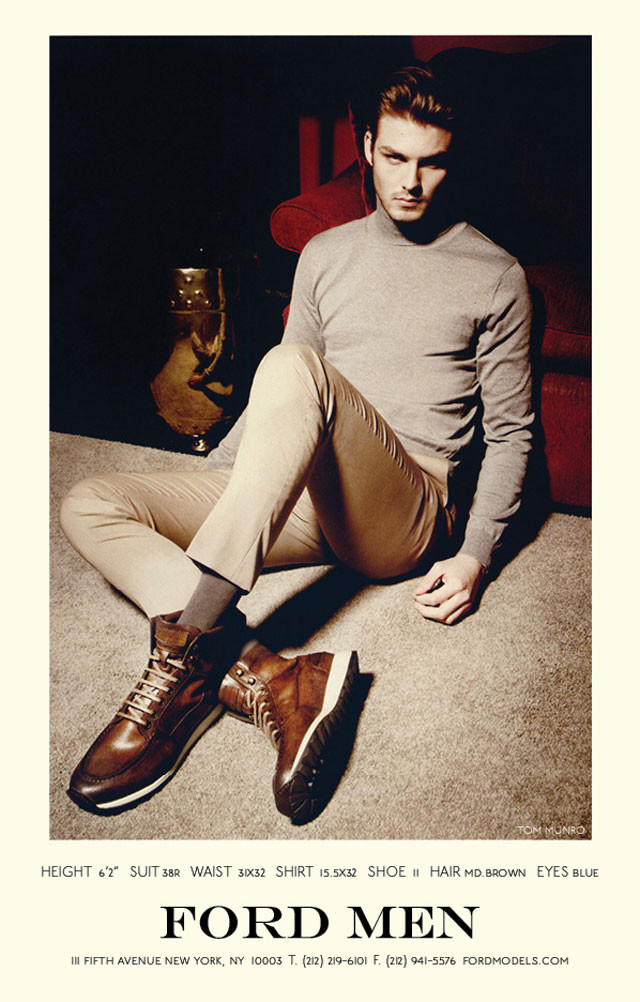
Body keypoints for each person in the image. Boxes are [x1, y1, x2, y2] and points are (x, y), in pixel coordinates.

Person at [59, 65, 533, 823]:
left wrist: (475, 555)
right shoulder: (326, 253)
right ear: (367, 147)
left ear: (455, 161)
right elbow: (283, 405)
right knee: (89, 501)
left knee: (290, 364)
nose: (411, 181)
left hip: (404, 511)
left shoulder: (495, 274)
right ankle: (275, 676)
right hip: (313, 490)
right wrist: (232, 488)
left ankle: (183, 661)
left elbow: (511, 434)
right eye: (395, 157)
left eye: (432, 162)